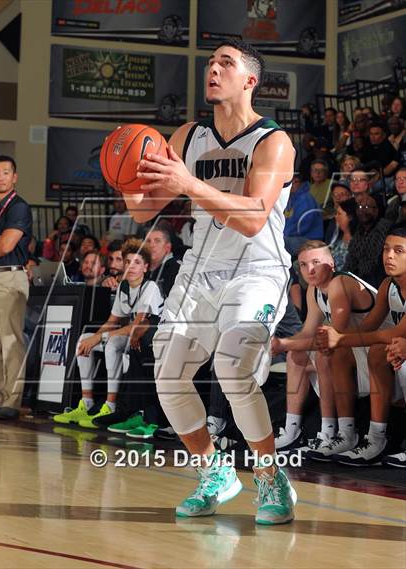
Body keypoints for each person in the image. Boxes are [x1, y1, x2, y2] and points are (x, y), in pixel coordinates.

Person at [123, 38, 297, 525]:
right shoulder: (186, 136)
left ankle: (269, 477)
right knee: (168, 374)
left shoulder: (273, 141)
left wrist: (190, 185)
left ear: (250, 80)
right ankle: (214, 472)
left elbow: (253, 219)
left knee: (233, 368)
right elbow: (143, 210)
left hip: (257, 271)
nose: (213, 69)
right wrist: (122, 174)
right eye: (210, 63)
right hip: (199, 271)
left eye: (227, 63)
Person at [272, 241, 378, 460]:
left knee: (324, 353)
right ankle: (296, 431)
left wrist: (283, 344)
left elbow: (333, 338)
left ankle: (341, 432)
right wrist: (284, 344)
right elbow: (308, 332)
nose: (309, 269)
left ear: (331, 263)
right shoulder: (314, 290)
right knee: (297, 355)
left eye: (316, 262)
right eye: (303, 265)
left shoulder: (341, 282)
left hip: (380, 353)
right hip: (357, 353)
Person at [315, 225, 406, 466]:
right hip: (395, 352)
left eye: (398, 251)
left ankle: (379, 438)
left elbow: (392, 333)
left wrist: (340, 337)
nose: (389, 256)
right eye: (386, 249)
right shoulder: (388, 285)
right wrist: (334, 337)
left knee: (383, 349)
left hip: (397, 352)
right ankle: (350, 434)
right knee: (340, 352)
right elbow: (369, 326)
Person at [54, 239, 164, 428]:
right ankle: (86, 403)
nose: (131, 267)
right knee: (83, 339)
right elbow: (112, 321)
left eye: (137, 263)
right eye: (128, 262)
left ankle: (110, 405)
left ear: (146, 267)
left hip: (149, 339)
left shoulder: (150, 287)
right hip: (130, 337)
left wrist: (100, 337)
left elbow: (137, 326)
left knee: (111, 344)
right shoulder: (123, 287)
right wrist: (93, 339)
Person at [0, 155, 32, 419]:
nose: (1, 176)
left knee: (11, 340)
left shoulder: (19, 208)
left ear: (14, 177)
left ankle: (12, 401)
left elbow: (6, 246)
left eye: (6, 172)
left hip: (9, 277)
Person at [284, 173, 323, 256]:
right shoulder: (290, 197)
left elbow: (302, 225)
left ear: (301, 183)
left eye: (296, 182)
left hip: (309, 239)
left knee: (278, 243)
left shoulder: (306, 198)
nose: (292, 185)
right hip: (293, 236)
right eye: (291, 182)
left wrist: (283, 234)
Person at [146, 226, 181, 297]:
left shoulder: (176, 269)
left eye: (157, 241)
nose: (151, 245)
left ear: (168, 247)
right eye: (148, 241)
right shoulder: (141, 267)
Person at [328, 198, 358, 271]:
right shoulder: (337, 233)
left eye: (339, 214)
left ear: (350, 217)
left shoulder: (357, 241)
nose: (336, 216)